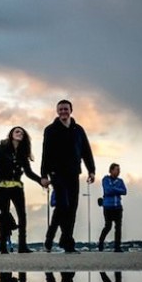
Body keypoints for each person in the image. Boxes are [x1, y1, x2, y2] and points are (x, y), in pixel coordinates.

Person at [41, 100, 96, 253]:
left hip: (73, 173)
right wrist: (43, 175)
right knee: (63, 205)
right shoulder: (50, 130)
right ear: (57, 111)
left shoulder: (78, 130)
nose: (63, 112)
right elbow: (46, 153)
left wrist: (91, 170)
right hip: (56, 173)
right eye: (60, 109)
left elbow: (86, 150)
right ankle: (68, 243)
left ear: (71, 110)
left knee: (71, 208)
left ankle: (53, 237)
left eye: (66, 109)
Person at [0, 126, 46, 254]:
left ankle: (22, 246)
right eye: (17, 131)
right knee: (4, 215)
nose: (20, 133)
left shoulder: (22, 152)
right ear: (11, 134)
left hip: (17, 187)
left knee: (22, 215)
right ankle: (3, 246)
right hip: (2, 186)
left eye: (22, 132)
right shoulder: (2, 148)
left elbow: (28, 172)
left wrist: (40, 180)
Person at [97, 163, 127, 252]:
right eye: (117, 169)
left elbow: (124, 191)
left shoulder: (120, 181)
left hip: (117, 207)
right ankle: (101, 243)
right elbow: (107, 190)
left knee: (118, 227)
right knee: (108, 226)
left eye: (119, 170)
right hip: (108, 207)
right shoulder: (105, 179)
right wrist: (117, 190)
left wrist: (113, 189)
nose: (118, 171)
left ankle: (117, 247)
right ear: (111, 170)